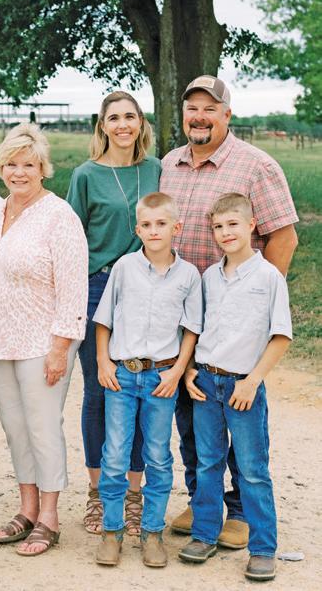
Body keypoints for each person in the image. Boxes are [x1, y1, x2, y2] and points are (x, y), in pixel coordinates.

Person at [160, 75, 298, 549]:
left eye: (209, 109)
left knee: (239, 414)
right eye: (192, 109)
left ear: (227, 115)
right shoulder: (169, 164)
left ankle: (238, 511)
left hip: (234, 320)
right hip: (182, 317)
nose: (199, 117)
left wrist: (257, 304)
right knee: (191, 413)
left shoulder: (256, 166)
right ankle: (203, 501)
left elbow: (283, 237)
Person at [0, 123, 87, 556]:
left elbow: (74, 288)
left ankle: (49, 517)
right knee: (15, 428)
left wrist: (61, 347)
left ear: (43, 169)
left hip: (43, 340)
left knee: (43, 427)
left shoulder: (59, 216)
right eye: (11, 164)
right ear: (1, 167)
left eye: (28, 165)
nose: (18, 172)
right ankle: (26, 509)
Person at [178, 193, 292, 582]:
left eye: (233, 225)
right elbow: (196, 329)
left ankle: (262, 548)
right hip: (206, 382)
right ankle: (204, 534)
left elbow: (281, 336)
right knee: (207, 462)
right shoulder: (210, 277)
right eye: (218, 227)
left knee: (251, 468)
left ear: (251, 225)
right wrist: (189, 370)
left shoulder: (268, 277)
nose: (225, 233)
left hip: (244, 386)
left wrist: (252, 380)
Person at [66, 91, 160, 535]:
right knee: (100, 389)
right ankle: (99, 492)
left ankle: (134, 494)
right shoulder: (86, 175)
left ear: (141, 122)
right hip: (97, 286)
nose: (123, 125)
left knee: (140, 389)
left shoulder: (156, 169)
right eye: (114, 118)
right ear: (102, 126)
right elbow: (71, 241)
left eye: (130, 116)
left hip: (146, 286)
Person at [92, 192, 202, 568]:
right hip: (122, 375)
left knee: (157, 456)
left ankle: (152, 532)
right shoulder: (124, 267)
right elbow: (104, 318)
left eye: (161, 224)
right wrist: (103, 361)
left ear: (176, 227)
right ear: (137, 229)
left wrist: (177, 371)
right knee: (114, 455)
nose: (154, 231)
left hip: (161, 379)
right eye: (147, 225)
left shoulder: (188, 276)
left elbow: (191, 329)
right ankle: (112, 531)